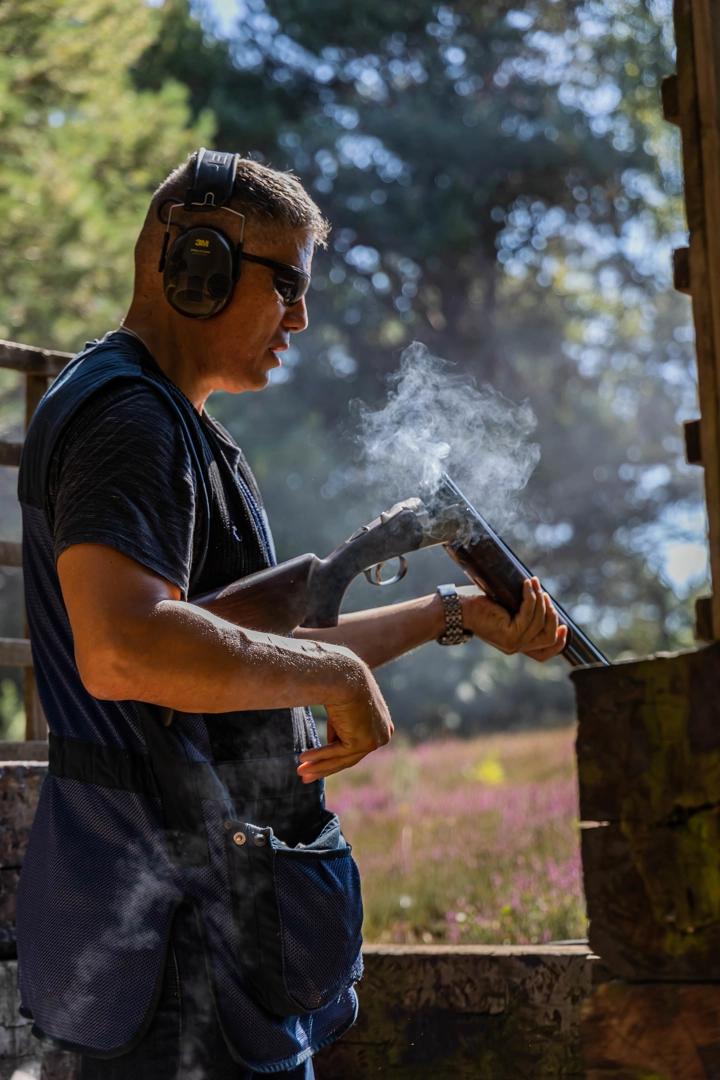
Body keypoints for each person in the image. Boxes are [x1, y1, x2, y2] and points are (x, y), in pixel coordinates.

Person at [15, 149, 566, 1080]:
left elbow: (245, 655)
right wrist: (338, 674)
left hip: (203, 933)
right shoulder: (130, 420)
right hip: (170, 945)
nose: (301, 318)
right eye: (286, 285)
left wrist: (455, 613)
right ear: (194, 264)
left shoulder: (181, 427)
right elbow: (126, 649)